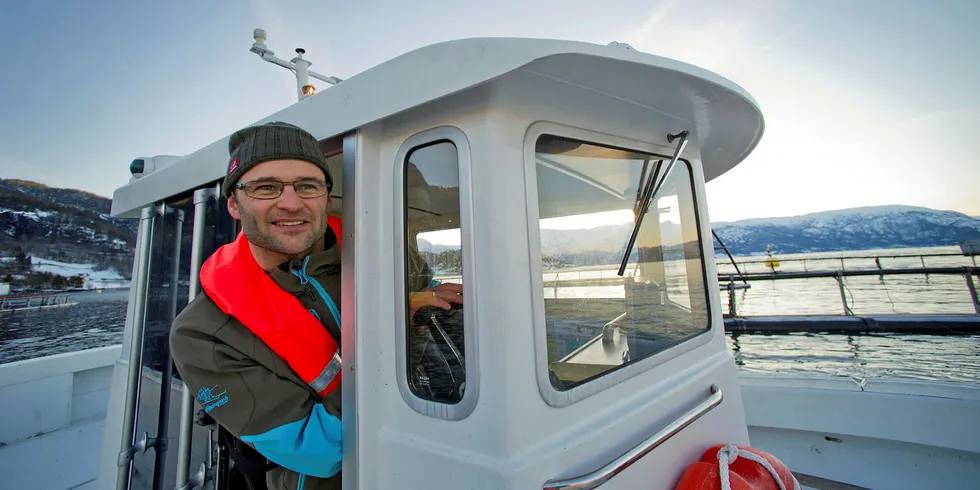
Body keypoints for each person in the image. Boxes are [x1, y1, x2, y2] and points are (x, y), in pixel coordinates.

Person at [169, 121, 462, 490]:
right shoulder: (204, 333)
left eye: (307, 185)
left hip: (439, 447)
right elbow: (319, 452)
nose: (290, 203)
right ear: (233, 202)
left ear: (326, 196)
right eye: (266, 187)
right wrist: (398, 324)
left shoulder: (386, 250)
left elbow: (433, 302)